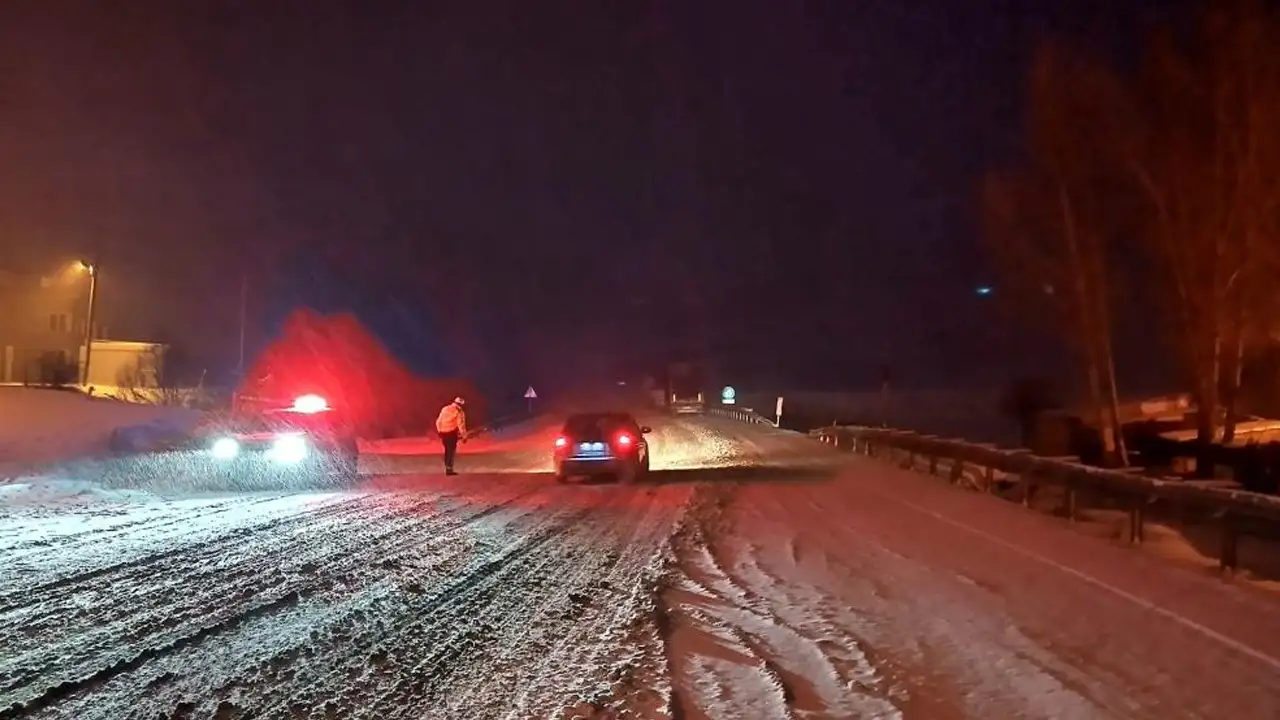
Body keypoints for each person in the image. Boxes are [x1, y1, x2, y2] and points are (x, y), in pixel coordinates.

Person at [435, 396, 468, 475]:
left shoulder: (445, 408)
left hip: (443, 433)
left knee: (447, 450)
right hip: (451, 433)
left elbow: (438, 421)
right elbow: (461, 425)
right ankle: (449, 469)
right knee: (451, 451)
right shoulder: (459, 412)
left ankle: (447, 467)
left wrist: (439, 431)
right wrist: (464, 436)